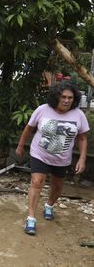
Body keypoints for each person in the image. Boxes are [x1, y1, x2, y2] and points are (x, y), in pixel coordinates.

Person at [16, 82, 89, 235]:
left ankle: (49, 205)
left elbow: (82, 138)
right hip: (40, 154)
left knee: (57, 187)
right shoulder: (42, 110)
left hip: (62, 158)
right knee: (36, 183)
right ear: (56, 97)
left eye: (70, 97)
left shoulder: (78, 115)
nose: (67, 100)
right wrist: (21, 146)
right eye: (63, 97)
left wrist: (82, 159)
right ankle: (31, 218)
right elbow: (29, 128)